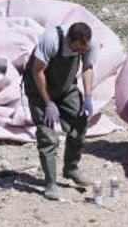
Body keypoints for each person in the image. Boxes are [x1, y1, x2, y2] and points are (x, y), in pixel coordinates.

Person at [23, 22, 97, 200]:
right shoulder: (51, 40)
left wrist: (87, 96)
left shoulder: (89, 44)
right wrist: (48, 102)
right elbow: (37, 71)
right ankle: (50, 183)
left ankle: (71, 167)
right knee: (48, 136)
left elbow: (87, 67)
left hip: (65, 88)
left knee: (79, 125)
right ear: (69, 40)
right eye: (77, 48)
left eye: (83, 49)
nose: (80, 52)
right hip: (39, 88)